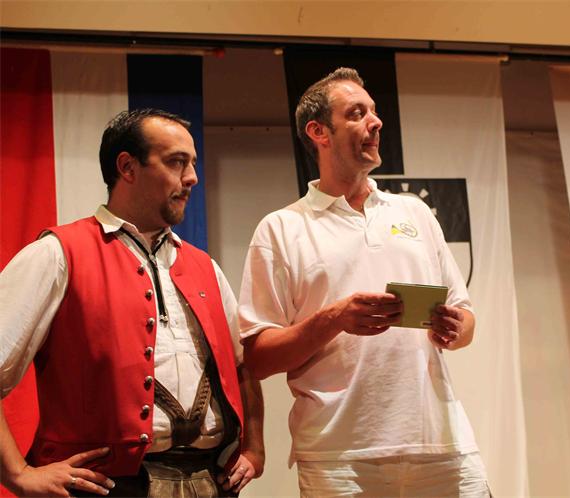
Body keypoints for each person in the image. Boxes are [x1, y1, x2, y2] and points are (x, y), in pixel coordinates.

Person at [238, 68, 489, 496]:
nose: (376, 122)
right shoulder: (280, 228)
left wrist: (455, 327)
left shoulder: (414, 212)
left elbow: (466, 321)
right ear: (319, 132)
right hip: (339, 458)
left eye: (373, 111)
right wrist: (334, 318)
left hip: (443, 445)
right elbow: (257, 359)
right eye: (357, 114)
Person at [0, 109, 264, 497]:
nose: (192, 177)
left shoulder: (204, 266)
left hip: (211, 482)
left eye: (192, 163)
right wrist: (18, 474)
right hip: (104, 487)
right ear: (127, 167)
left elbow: (243, 366)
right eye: (177, 162)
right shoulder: (57, 254)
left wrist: (255, 449)